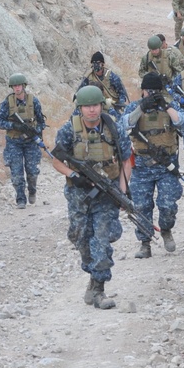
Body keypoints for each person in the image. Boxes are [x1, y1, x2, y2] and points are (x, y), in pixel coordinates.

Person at [52, 85, 133, 310]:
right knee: (79, 237)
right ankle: (92, 273)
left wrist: (122, 191)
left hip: (106, 195)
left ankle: (99, 289)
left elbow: (126, 160)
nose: (92, 110)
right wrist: (73, 175)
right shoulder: (69, 130)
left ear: (101, 106)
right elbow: (56, 159)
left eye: (95, 105)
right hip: (79, 195)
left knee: (102, 237)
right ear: (80, 108)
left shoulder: (113, 130)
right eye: (87, 106)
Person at [121, 73, 184, 259]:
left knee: (167, 204)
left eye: (155, 91)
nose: (151, 93)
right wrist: (142, 108)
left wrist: (165, 106)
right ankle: (145, 243)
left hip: (166, 166)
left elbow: (183, 122)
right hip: (142, 167)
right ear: (142, 91)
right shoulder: (135, 107)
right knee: (141, 207)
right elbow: (124, 124)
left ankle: (166, 229)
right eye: (148, 91)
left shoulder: (169, 105)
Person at [0, 73, 46, 209]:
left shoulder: (33, 101)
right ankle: (20, 198)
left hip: (30, 141)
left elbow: (41, 122)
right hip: (14, 141)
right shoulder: (7, 102)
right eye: (14, 86)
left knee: (32, 171)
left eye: (19, 85)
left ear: (23, 86)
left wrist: (36, 132)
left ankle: (32, 190)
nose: (17, 88)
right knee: (16, 172)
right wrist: (14, 125)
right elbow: (0, 122)